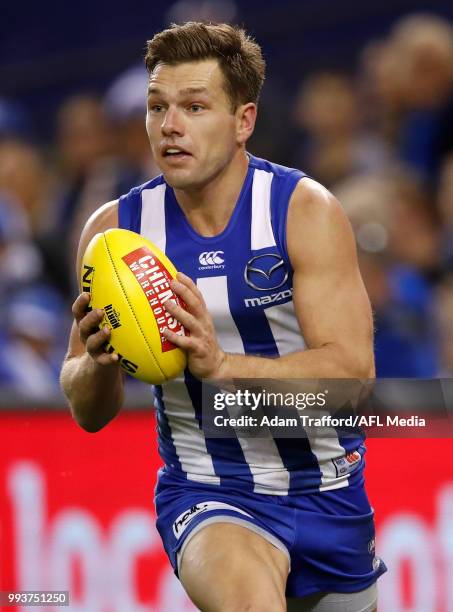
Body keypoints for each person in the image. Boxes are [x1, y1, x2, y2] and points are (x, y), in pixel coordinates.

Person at [61, 22, 386, 611]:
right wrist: (100, 365)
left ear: (244, 121)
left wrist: (222, 366)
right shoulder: (115, 232)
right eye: (157, 106)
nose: (169, 126)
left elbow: (352, 383)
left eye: (194, 106)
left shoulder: (302, 211)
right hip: (209, 492)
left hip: (329, 494)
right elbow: (87, 410)